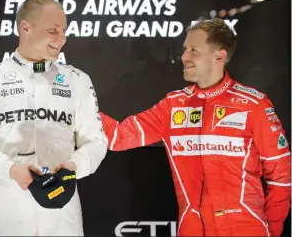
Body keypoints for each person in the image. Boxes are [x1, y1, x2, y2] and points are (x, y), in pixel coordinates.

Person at [100, 18, 291, 236]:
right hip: (191, 228)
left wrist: (273, 230)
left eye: (194, 50)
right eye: (184, 50)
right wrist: (76, 103)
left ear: (219, 56)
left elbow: (281, 177)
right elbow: (118, 136)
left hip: (246, 228)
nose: (184, 57)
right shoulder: (172, 106)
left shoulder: (254, 105)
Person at [0, 0, 107, 236]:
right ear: (25, 27)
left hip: (63, 212)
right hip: (8, 211)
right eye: (53, 30)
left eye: (64, 30)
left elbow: (96, 141)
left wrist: (74, 167)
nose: (62, 38)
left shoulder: (78, 80)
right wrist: (10, 168)